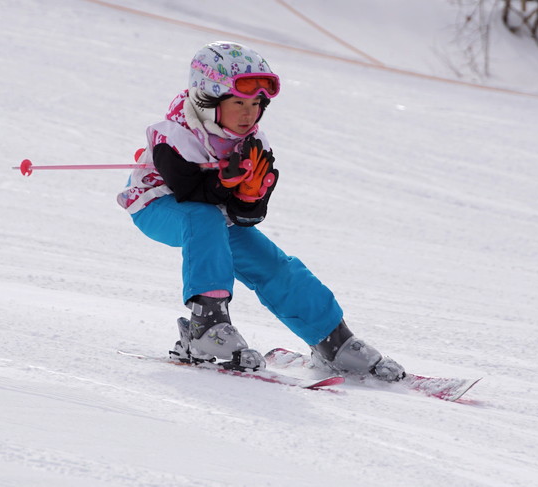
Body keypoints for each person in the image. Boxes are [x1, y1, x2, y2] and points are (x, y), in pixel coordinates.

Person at [117, 41, 405, 381]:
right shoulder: (175, 135)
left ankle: (332, 338)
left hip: (215, 220)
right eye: (238, 102)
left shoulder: (254, 143)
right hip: (157, 206)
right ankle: (205, 326)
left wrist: (251, 195)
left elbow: (246, 218)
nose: (248, 113)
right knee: (202, 216)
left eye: (256, 104)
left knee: (271, 262)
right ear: (206, 100)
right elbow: (190, 194)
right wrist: (226, 183)